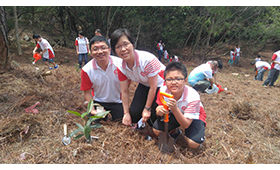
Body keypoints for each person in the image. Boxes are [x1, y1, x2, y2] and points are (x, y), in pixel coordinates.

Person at [111, 28, 166, 126]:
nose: (123, 49)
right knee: (134, 115)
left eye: (125, 44)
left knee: (152, 117)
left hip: (161, 85)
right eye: (118, 46)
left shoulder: (146, 60)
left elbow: (153, 87)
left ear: (132, 45)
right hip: (144, 84)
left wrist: (147, 109)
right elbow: (124, 91)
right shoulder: (120, 67)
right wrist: (126, 113)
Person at [152, 62, 206, 149]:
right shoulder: (163, 91)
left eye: (178, 79)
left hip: (194, 116)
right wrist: (158, 110)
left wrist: (175, 108)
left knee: (193, 143)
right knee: (157, 130)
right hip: (175, 112)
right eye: (169, 79)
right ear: (165, 80)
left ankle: (194, 135)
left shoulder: (193, 96)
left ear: (185, 80)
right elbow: (160, 106)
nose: (173, 82)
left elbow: (186, 125)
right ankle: (175, 131)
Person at [80, 35, 123, 121]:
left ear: (109, 49)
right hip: (99, 102)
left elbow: (126, 86)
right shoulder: (86, 70)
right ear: (90, 52)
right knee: (93, 122)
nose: (100, 52)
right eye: (95, 49)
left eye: (103, 48)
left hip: (117, 101)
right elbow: (87, 92)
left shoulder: (120, 64)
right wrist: (92, 110)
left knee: (121, 121)